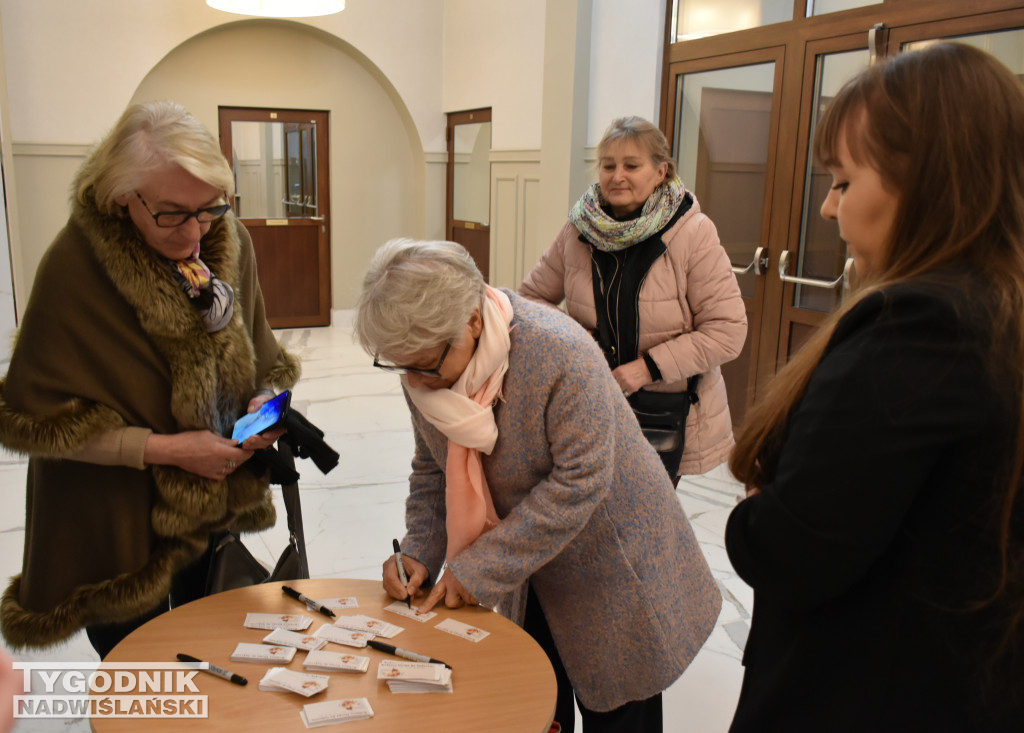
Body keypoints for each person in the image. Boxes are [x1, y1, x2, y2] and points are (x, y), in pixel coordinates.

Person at [725, 43, 1024, 731]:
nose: (829, 210)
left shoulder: (918, 324)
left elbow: (788, 547)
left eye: (843, 181)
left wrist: (756, 508)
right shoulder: (997, 307)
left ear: (924, 184)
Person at [354, 238, 721, 733]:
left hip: (614, 567)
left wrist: (479, 565)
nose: (417, 382)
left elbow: (580, 482)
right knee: (536, 704)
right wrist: (419, 549)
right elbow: (433, 466)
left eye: (425, 366)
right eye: (401, 367)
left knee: (616, 710)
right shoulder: (426, 365)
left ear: (473, 321)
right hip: (530, 565)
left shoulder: (558, 353)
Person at [0, 101, 300, 659]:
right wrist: (166, 450)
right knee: (135, 664)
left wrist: (265, 406)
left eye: (209, 208)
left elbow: (265, 358)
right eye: (170, 213)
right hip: (114, 513)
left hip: (210, 501)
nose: (194, 231)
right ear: (121, 196)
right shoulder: (75, 266)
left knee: (210, 644)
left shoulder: (227, 240)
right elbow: (40, 421)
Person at [519, 116, 746, 481]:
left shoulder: (693, 231)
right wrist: (582, 345)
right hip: (587, 403)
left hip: (663, 411)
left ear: (661, 172)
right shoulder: (579, 228)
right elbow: (531, 301)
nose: (617, 176)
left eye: (631, 165)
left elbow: (727, 331)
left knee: (642, 525)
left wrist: (646, 369)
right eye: (608, 166)